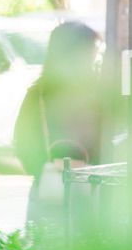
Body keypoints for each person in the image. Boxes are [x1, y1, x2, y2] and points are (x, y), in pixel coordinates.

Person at [14, 21, 104, 226]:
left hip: (54, 191)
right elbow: (24, 144)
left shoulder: (38, 94)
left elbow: (22, 145)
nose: (93, 57)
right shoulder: (97, 96)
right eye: (89, 51)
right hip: (74, 195)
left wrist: (45, 170)